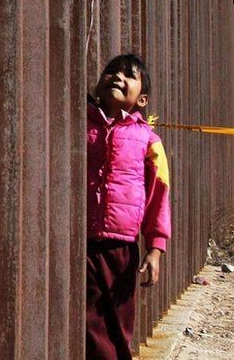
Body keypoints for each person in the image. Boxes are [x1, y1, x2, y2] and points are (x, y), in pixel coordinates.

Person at [86, 54, 170, 360]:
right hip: (82, 243)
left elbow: (158, 195)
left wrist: (156, 247)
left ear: (142, 99)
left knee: (119, 326)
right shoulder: (80, 124)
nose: (117, 77)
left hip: (121, 248)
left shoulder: (147, 139)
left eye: (128, 75)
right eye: (110, 72)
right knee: (90, 324)